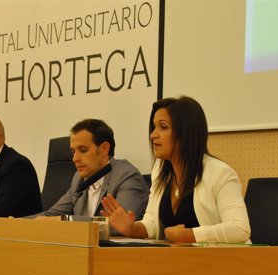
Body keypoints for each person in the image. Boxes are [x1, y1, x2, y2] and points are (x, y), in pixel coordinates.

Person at [101, 96, 250, 243]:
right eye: (154, 127)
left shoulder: (220, 173)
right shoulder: (160, 170)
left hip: (222, 262)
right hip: (178, 262)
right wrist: (130, 229)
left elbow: (239, 229)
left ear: (186, 133)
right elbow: (152, 224)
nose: (153, 135)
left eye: (163, 127)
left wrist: (190, 235)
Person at [31, 118, 148, 225]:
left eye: (83, 150)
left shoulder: (127, 176)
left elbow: (121, 224)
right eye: (73, 151)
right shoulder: (79, 179)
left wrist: (65, 220)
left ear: (104, 149)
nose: (75, 158)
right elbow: (51, 215)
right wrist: (16, 222)